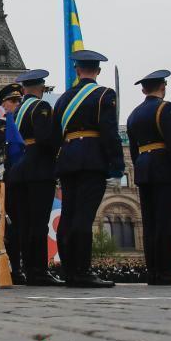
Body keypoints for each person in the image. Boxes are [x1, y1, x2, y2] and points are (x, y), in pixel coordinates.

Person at [50, 50, 123, 287]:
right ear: (98, 71)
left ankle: (69, 270)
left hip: (68, 159)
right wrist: (116, 168)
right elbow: (110, 133)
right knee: (83, 217)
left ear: (77, 70)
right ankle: (82, 271)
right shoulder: (103, 95)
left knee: (69, 216)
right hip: (92, 160)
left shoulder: (63, 99)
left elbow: (55, 136)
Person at [127, 70, 171, 285]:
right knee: (165, 223)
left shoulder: (134, 114)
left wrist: (140, 166)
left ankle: (153, 271)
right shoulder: (166, 109)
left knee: (149, 223)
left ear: (143, 90)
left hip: (144, 170)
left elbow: (133, 149)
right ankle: (166, 271)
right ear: (163, 87)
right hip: (164, 170)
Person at [9, 70, 63, 286]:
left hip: (19, 170)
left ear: (23, 89)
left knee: (25, 223)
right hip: (38, 169)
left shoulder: (18, 110)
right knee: (39, 223)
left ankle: (29, 268)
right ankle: (38, 271)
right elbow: (45, 138)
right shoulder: (41, 107)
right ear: (41, 88)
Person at [0, 82, 25, 284]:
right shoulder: (1, 126)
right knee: (3, 227)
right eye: (13, 101)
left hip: (18, 180)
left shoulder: (19, 123)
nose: (16, 104)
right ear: (4, 104)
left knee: (17, 227)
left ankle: (17, 267)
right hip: (3, 183)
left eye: (18, 100)